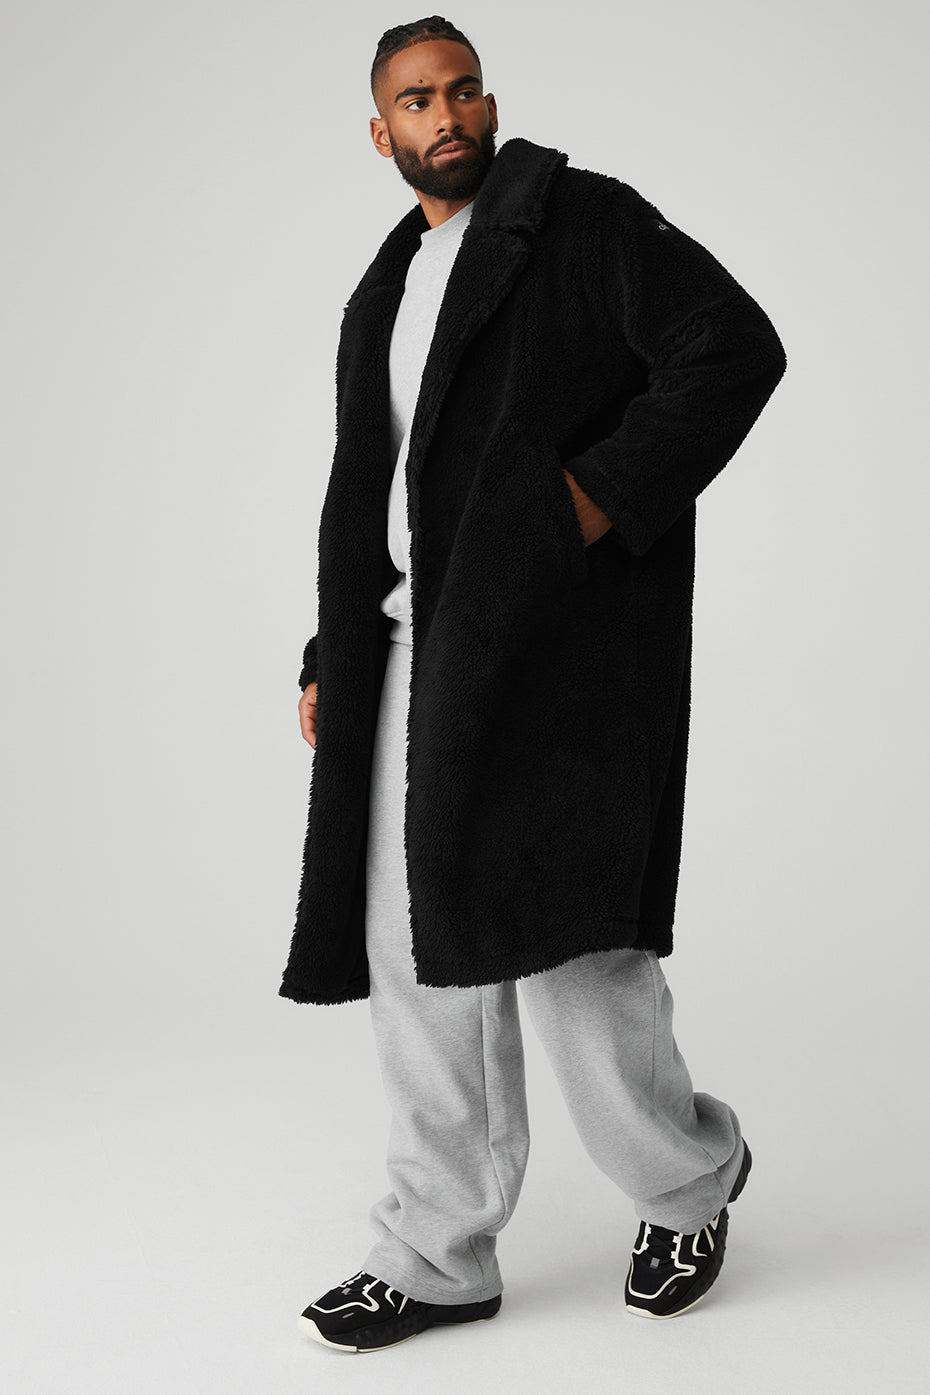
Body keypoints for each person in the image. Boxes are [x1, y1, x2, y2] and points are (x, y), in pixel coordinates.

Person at [285, 15, 786, 1354]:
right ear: (380, 131)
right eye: (415, 100)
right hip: (413, 651)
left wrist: (587, 504)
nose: (443, 115)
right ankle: (436, 1250)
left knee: (571, 950)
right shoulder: (387, 285)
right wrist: (336, 648)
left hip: (552, 647)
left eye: (461, 91)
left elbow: (734, 347)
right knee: (416, 958)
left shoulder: (584, 223)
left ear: (489, 104)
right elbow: (373, 488)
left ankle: (688, 1182)